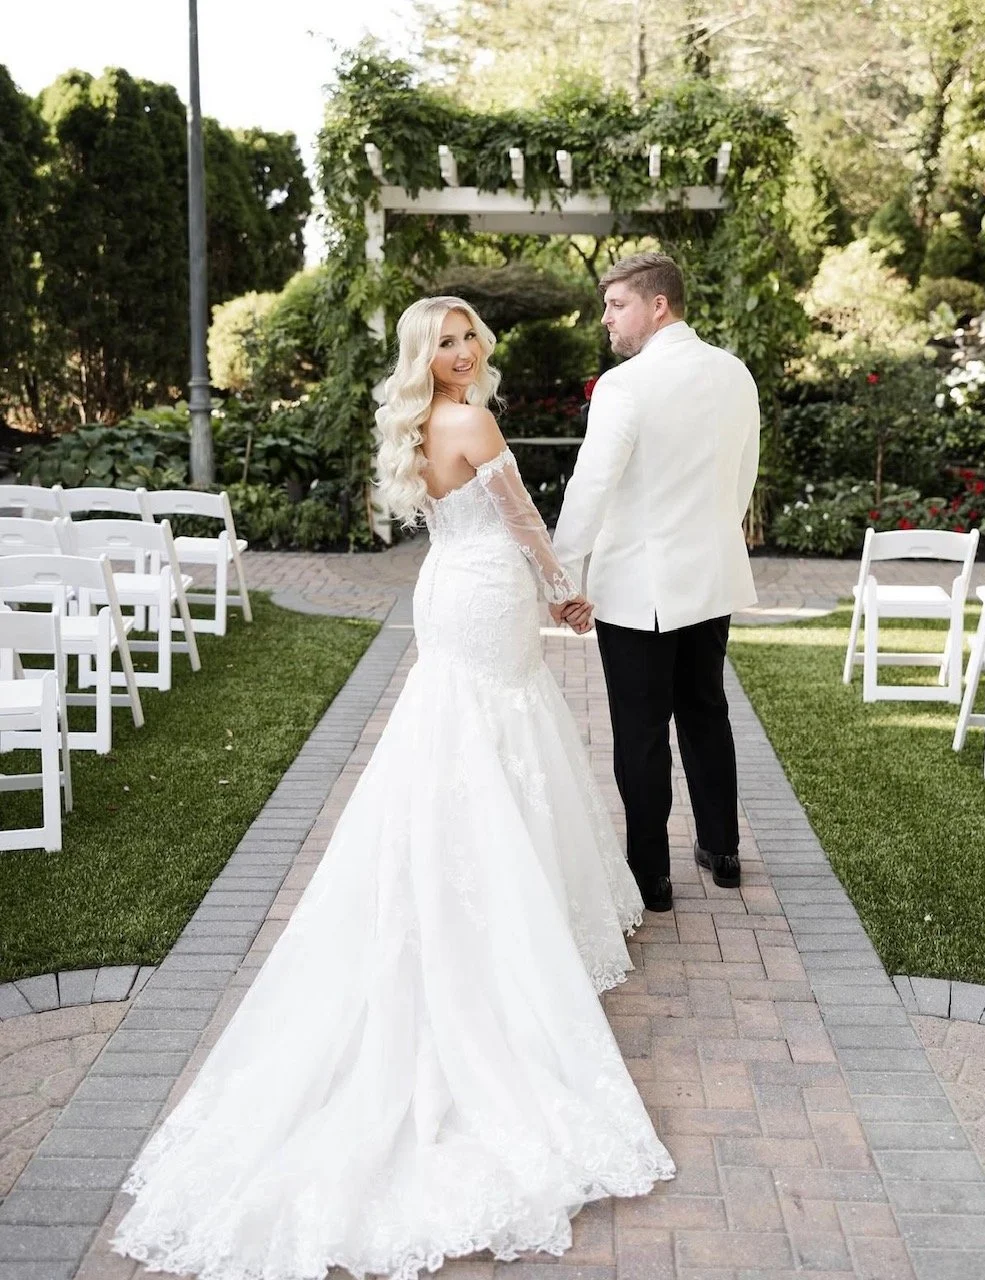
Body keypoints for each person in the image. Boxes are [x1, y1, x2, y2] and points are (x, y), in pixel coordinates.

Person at [111, 296, 674, 1280]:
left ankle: (487, 875)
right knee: (497, 729)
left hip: (448, 588)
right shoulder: (472, 419)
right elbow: (523, 520)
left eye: (469, 336)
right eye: (447, 341)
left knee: (471, 731)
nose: (465, 351)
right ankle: (504, 903)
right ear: (428, 354)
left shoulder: (418, 424)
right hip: (488, 587)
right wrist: (563, 590)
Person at [553, 253, 760, 913]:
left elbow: (589, 490)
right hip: (710, 575)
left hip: (637, 583)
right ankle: (721, 852)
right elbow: (741, 479)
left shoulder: (623, 386)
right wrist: (709, 539)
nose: (607, 318)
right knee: (705, 710)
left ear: (657, 304)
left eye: (616, 305)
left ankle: (650, 876)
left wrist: (557, 575)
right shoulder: (734, 374)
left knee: (640, 729)